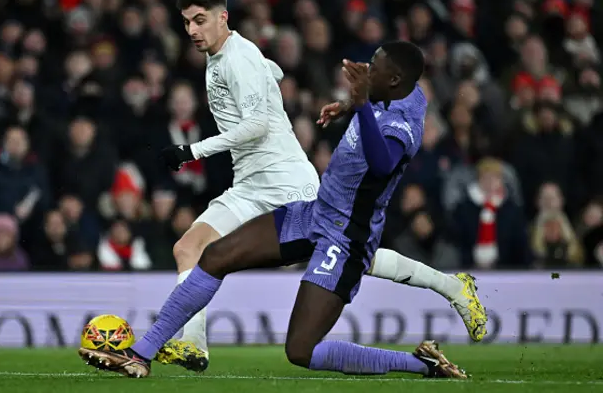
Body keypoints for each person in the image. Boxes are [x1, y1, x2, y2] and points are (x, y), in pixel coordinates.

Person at [79, 42, 469, 380]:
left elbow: (383, 164)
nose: (368, 70)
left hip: (346, 237)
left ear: (395, 81)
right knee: (215, 255)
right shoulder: (404, 92)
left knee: (301, 350)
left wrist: (362, 106)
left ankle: (422, 364)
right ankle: (140, 354)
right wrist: (350, 104)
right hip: (316, 211)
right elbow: (377, 99)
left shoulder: (404, 125)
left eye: (376, 67)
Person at [152, 0, 486, 372]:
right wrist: (334, 99)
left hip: (287, 181)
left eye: (199, 21)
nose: (191, 30)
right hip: (249, 183)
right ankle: (192, 345)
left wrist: (192, 150)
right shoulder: (226, 55)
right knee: (188, 248)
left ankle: (449, 286)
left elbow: (258, 123)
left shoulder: (238, 56)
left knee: (359, 256)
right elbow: (268, 72)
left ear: (222, 17)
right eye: (187, 22)